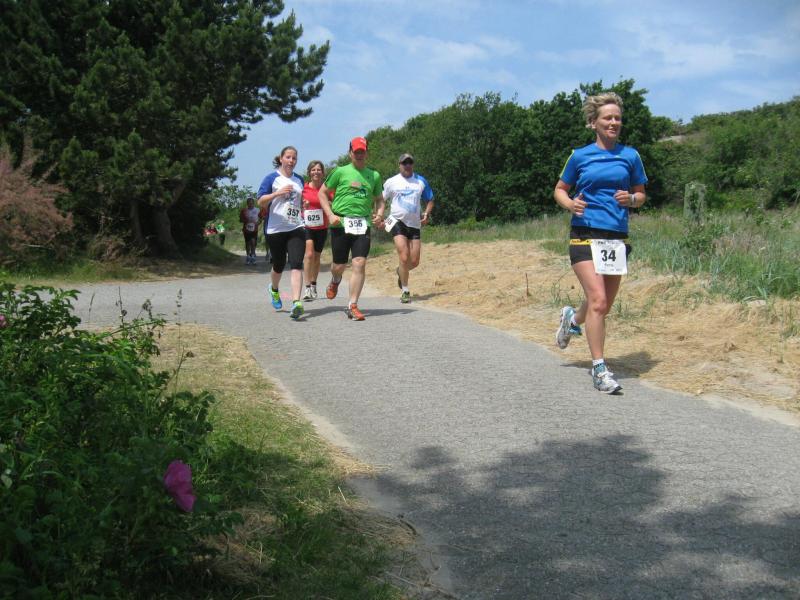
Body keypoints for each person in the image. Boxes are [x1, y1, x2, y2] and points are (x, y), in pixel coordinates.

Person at [553, 91, 648, 394]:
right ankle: (599, 369)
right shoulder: (579, 156)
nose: (613, 122)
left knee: (601, 305)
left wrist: (631, 199)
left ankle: (572, 319)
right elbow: (559, 189)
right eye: (608, 118)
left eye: (617, 118)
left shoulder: (630, 156)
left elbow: (641, 195)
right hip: (584, 234)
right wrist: (570, 204)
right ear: (593, 122)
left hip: (616, 239)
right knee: (599, 301)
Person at [317, 137, 384, 321]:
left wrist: (379, 214)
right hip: (340, 222)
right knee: (338, 266)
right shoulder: (340, 171)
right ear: (350, 153)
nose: (359, 155)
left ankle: (352, 305)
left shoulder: (374, 175)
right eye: (356, 152)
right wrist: (330, 214)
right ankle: (335, 280)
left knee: (359, 263)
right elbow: (322, 193)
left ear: (367, 153)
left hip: (363, 224)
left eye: (362, 151)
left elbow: (380, 199)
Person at [257, 146, 306, 320]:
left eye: (294, 158)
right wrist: (277, 193)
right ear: (281, 159)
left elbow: (301, 201)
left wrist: (304, 205)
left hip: (296, 227)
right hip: (275, 228)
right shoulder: (271, 178)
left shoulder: (299, 179)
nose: (291, 161)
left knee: (296, 263)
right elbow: (260, 201)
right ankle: (274, 289)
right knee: (279, 264)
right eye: (288, 157)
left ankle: (296, 303)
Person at [381, 153, 434, 303]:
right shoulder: (392, 182)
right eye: (404, 163)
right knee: (404, 256)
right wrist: (379, 216)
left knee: (414, 261)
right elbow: (380, 199)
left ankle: (400, 271)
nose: (408, 165)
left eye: (410, 162)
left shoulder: (420, 181)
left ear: (413, 165)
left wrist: (426, 213)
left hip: (414, 224)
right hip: (396, 221)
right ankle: (405, 290)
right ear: (399, 165)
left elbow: (430, 199)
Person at [301, 160, 329, 300]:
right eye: (313, 170)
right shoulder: (304, 188)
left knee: (317, 257)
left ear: (323, 173)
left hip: (322, 226)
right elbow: (297, 205)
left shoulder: (327, 188)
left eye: (318, 170)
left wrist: (328, 204)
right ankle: (306, 288)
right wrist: (303, 205)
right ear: (309, 173)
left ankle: (313, 284)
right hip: (307, 226)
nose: (316, 172)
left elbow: (335, 204)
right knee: (309, 254)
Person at [239, 197, 261, 265]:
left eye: (252, 203)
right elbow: (240, 220)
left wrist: (258, 223)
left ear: (253, 204)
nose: (250, 205)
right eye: (249, 203)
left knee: (253, 242)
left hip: (254, 229)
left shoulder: (257, 210)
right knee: (247, 243)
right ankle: (248, 256)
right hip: (246, 229)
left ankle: (253, 257)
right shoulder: (244, 210)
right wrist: (246, 220)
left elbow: (261, 218)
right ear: (247, 204)